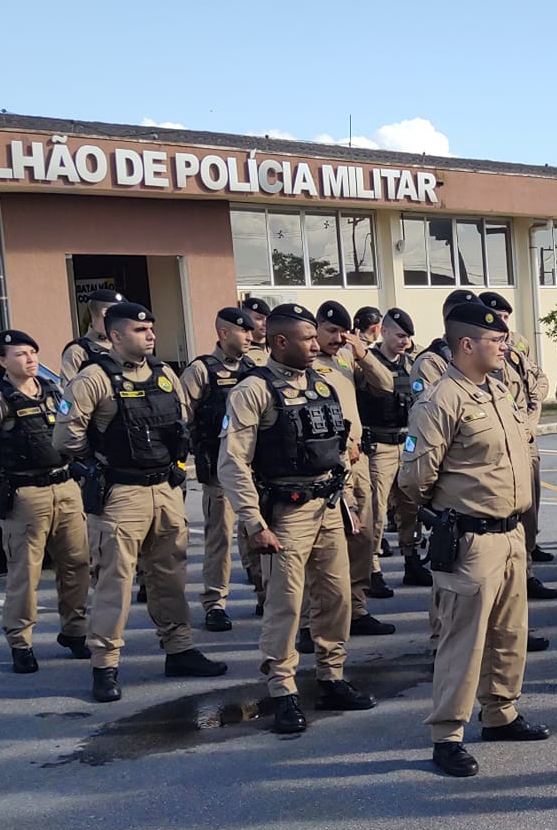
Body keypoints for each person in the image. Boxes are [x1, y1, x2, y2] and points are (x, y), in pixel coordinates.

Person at [216, 302, 377, 732]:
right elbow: (232, 463)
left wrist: (345, 504)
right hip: (285, 514)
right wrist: (255, 523)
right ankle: (283, 689)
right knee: (285, 605)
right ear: (281, 341)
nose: (317, 345)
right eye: (308, 338)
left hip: (327, 508)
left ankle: (332, 676)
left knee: (337, 598)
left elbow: (337, 450)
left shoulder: (322, 384)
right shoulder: (253, 390)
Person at [404, 301, 547, 777]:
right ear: (467, 344)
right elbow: (416, 477)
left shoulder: (497, 391)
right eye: (496, 340)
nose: (505, 347)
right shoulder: (442, 398)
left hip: (509, 534)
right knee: (462, 641)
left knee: (510, 633)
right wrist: (449, 509)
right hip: (469, 538)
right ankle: (447, 734)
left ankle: (500, 712)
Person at [58, 302, 226, 702]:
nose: (149, 335)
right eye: (138, 330)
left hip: (165, 491)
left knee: (170, 576)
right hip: (121, 494)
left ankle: (179, 649)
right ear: (115, 335)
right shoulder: (93, 379)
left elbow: (181, 421)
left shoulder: (165, 373)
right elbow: (65, 438)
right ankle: (105, 665)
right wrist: (103, 462)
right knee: (114, 582)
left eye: (151, 328)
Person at [0, 329, 88, 672]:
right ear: (2, 361)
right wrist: (4, 478)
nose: (31, 359)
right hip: (24, 496)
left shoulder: (54, 391)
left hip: (65, 489)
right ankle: (20, 641)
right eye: (21, 354)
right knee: (25, 573)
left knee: (77, 565)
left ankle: (75, 631)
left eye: (33, 352)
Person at [183, 307, 269, 631]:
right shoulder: (201, 370)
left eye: (251, 331)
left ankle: (265, 595)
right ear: (223, 333)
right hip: (217, 471)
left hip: (250, 470)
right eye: (243, 331)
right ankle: (215, 604)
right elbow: (183, 416)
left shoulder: (253, 368)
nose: (249, 336)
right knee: (218, 539)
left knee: (256, 532)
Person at [312, 300, 395, 636]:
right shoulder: (306, 361)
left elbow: (385, 384)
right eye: (331, 330)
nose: (337, 337)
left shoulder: (347, 357)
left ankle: (357, 607)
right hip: (323, 462)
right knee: (324, 544)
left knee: (364, 534)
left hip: (356, 459)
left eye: (342, 331)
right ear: (315, 329)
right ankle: (313, 618)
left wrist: (362, 354)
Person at [482, 291, 557, 601]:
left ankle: (525, 570)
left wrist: (530, 419)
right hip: (494, 448)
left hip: (524, 442)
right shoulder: (469, 354)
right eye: (496, 317)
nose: (503, 323)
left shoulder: (514, 351)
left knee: (529, 508)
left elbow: (538, 381)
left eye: (505, 318)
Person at [353, 307, 419, 601]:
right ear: (384, 332)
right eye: (400, 335)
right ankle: (373, 569)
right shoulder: (367, 362)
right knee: (377, 511)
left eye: (408, 337)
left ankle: (412, 558)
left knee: (410, 508)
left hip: (406, 442)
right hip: (379, 446)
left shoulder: (411, 363)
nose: (405, 341)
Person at [60, 288, 123, 379]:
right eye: (120, 313)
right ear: (105, 312)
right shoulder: (78, 351)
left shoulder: (127, 344)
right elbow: (67, 390)